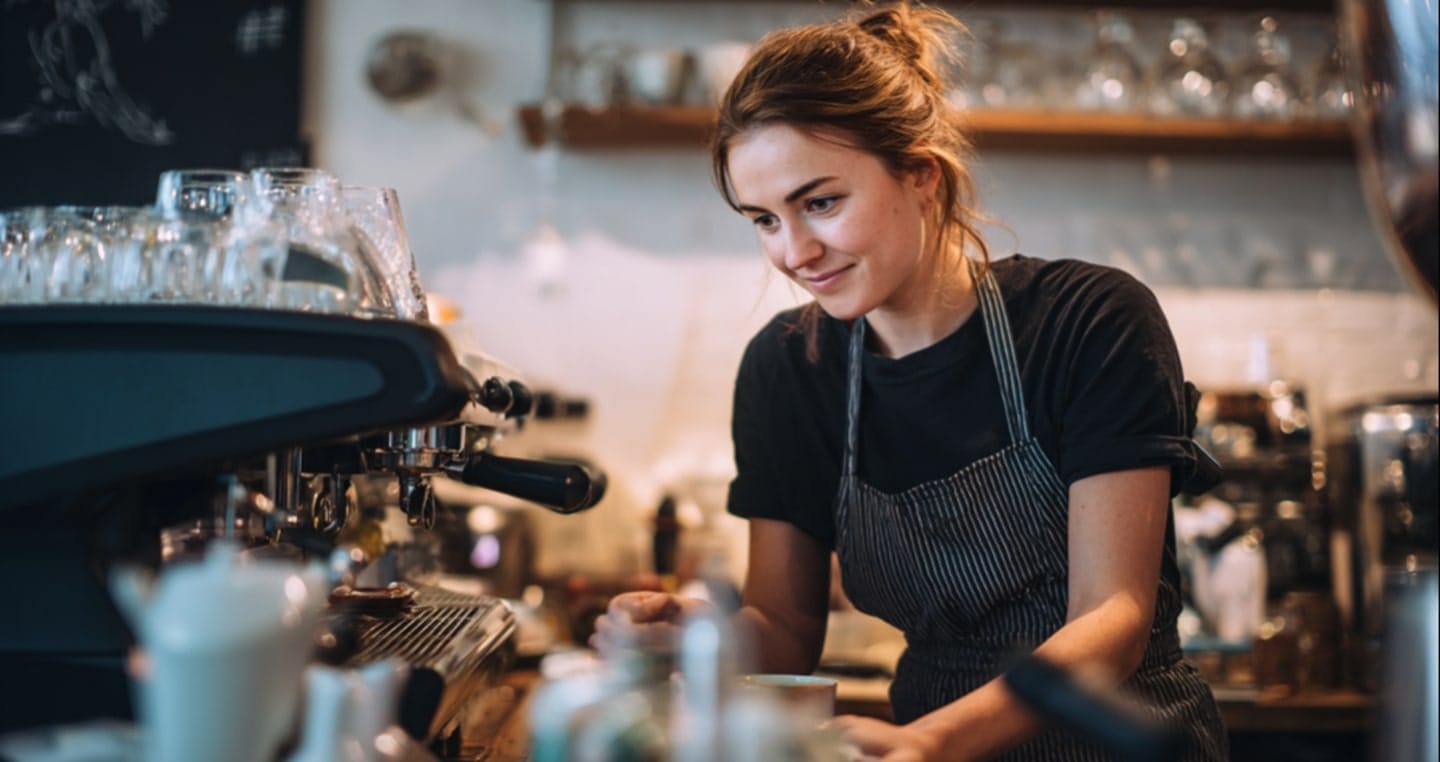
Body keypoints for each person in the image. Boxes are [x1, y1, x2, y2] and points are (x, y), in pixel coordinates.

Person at [593, 2, 1228, 760]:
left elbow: (1114, 618)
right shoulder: (788, 369)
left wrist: (932, 740)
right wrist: (692, 639)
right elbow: (785, 630)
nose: (794, 252)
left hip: (1120, 741)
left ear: (921, 175)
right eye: (763, 220)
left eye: (820, 203)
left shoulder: (1088, 321)